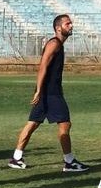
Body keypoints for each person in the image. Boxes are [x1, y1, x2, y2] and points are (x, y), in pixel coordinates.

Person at [9, 14, 89, 173]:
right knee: (65, 123)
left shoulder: (58, 44)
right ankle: (69, 162)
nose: (71, 26)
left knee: (32, 123)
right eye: (67, 24)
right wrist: (39, 90)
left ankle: (16, 158)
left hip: (48, 92)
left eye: (71, 23)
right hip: (50, 93)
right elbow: (43, 66)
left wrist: (40, 91)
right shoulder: (54, 43)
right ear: (58, 28)